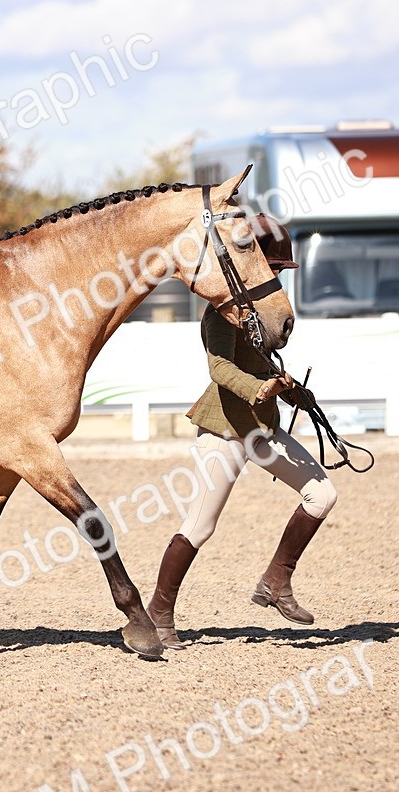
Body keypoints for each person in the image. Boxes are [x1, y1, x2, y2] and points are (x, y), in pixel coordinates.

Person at [147, 217, 337, 649]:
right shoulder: (220, 315)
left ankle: (276, 582)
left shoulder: (259, 317)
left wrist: (291, 394)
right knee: (199, 526)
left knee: (323, 495)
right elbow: (219, 369)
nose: (275, 282)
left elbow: (263, 368)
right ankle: (159, 611)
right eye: (273, 271)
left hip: (262, 428)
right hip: (225, 430)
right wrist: (257, 390)